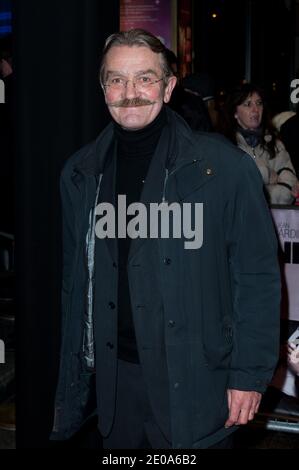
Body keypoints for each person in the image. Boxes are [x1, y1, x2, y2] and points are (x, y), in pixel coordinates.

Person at [51, 29, 281, 449]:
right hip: (114, 387)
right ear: (103, 88)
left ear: (169, 86)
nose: (130, 92)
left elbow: (258, 278)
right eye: (117, 79)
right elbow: (74, 285)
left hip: (196, 384)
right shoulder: (80, 174)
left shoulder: (225, 171)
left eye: (145, 78)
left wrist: (249, 375)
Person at [220, 83, 298, 205]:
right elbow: (231, 189)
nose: (255, 109)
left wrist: (259, 194)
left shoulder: (275, 144)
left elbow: (289, 187)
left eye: (259, 103)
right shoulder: (226, 146)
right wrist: (266, 173)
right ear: (235, 113)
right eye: (247, 104)